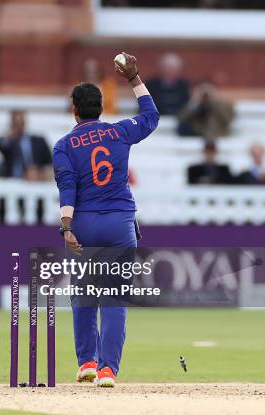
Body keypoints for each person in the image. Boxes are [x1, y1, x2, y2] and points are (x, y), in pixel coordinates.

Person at [52, 52, 159, 387]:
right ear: (101, 107)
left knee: (84, 296)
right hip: (119, 226)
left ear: (74, 108)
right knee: (114, 299)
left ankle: (86, 362)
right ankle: (108, 370)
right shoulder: (119, 133)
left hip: (84, 226)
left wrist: (67, 227)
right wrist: (133, 78)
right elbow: (151, 116)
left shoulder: (64, 146)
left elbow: (67, 188)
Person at [0, 110, 52, 181]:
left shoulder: (39, 141)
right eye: (16, 124)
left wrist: (38, 171)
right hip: (12, 181)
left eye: (21, 123)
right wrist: (11, 136)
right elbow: (0, 146)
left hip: (35, 180)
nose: (19, 127)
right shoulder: (8, 141)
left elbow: (49, 163)